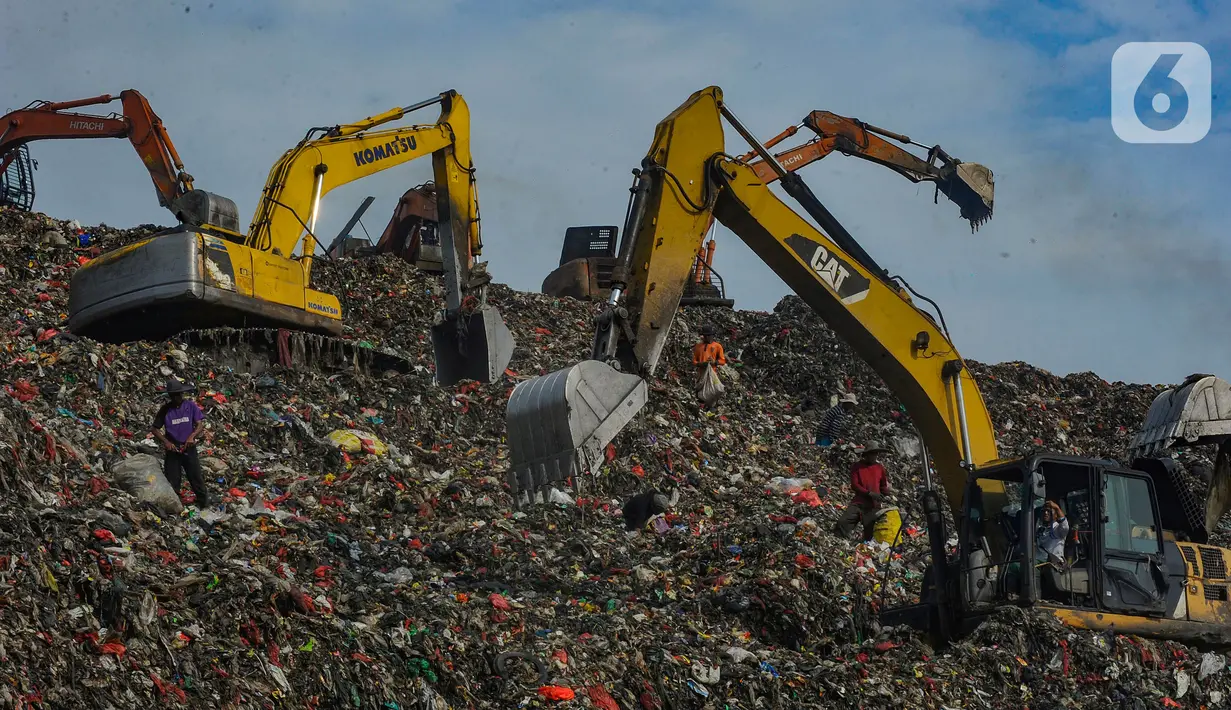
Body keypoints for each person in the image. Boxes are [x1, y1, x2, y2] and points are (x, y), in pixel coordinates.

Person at [150, 377, 213, 507]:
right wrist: (166, 442)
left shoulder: (190, 406)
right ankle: (175, 507)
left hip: (188, 448)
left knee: (196, 478)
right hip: (173, 450)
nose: (176, 398)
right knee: (173, 481)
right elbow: (155, 429)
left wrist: (192, 436)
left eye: (178, 395)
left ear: (181, 394)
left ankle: (204, 504)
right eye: (173, 396)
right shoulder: (165, 410)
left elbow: (200, 424)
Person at [835, 441, 892, 540]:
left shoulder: (879, 468)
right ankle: (839, 541)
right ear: (866, 454)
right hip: (859, 502)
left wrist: (887, 496)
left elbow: (883, 486)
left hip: (873, 505)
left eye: (876, 454)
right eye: (872, 453)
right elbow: (855, 485)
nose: (875, 456)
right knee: (843, 522)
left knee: (869, 532)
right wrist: (869, 493)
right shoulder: (857, 467)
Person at [692, 324, 727, 404]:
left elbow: (723, 361)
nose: (707, 337)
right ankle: (701, 407)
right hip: (701, 374)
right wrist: (699, 364)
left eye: (708, 335)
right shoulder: (698, 346)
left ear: (712, 336)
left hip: (712, 374)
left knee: (714, 391)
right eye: (705, 336)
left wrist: (714, 362)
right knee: (700, 394)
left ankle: (710, 406)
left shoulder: (717, 346)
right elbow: (694, 361)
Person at [1035, 499, 1069, 564]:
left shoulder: (1058, 529)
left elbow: (1065, 526)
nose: (1046, 513)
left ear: (1056, 515)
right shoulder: (1039, 528)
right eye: (1044, 511)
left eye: (1049, 511)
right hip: (1038, 560)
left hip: (1053, 563)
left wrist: (1057, 508)